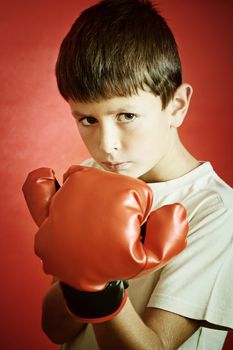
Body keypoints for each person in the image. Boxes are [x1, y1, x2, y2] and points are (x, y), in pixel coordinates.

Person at [26, 0, 233, 349]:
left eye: (127, 115)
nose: (107, 145)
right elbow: (55, 329)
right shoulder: (86, 178)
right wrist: (78, 281)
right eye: (88, 119)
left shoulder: (216, 211)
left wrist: (102, 285)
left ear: (177, 106)